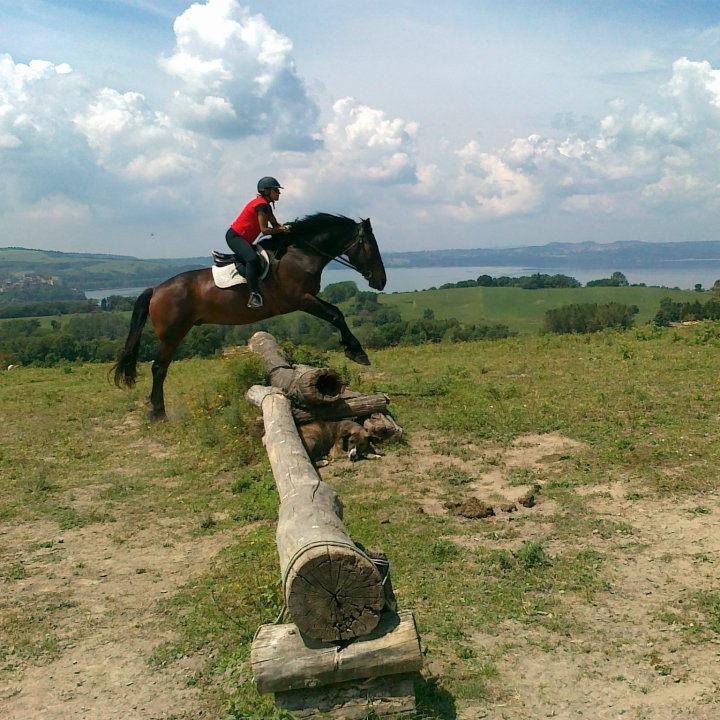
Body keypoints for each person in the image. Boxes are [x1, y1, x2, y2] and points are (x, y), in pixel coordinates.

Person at [226, 176, 289, 308]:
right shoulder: (261, 206)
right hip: (235, 237)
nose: (279, 193)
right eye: (276, 190)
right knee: (253, 259)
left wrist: (288, 228)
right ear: (267, 191)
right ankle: (254, 295)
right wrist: (281, 230)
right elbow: (265, 230)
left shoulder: (266, 206)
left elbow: (276, 226)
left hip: (244, 239)